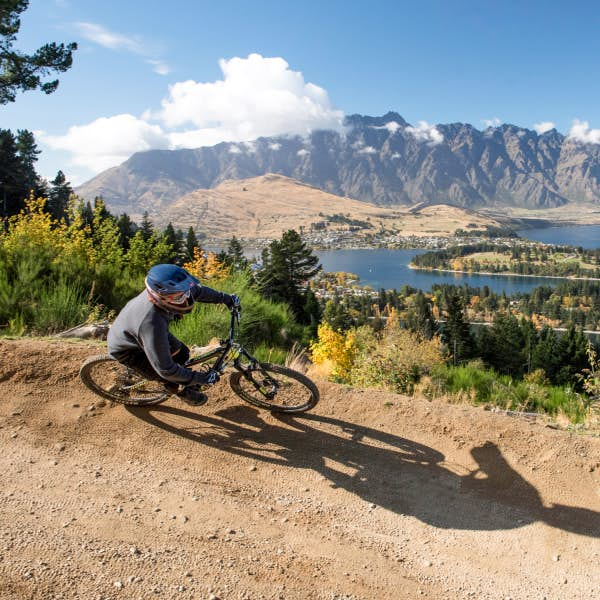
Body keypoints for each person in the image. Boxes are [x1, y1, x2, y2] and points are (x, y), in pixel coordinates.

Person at [107, 263, 240, 406]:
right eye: (178, 298)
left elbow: (197, 292)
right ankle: (178, 391)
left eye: (186, 293)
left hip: (134, 331)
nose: (185, 299)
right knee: (167, 377)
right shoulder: (151, 323)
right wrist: (201, 378)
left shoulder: (174, 292)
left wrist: (227, 299)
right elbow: (166, 370)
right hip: (128, 350)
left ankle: (183, 379)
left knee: (183, 354)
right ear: (160, 297)